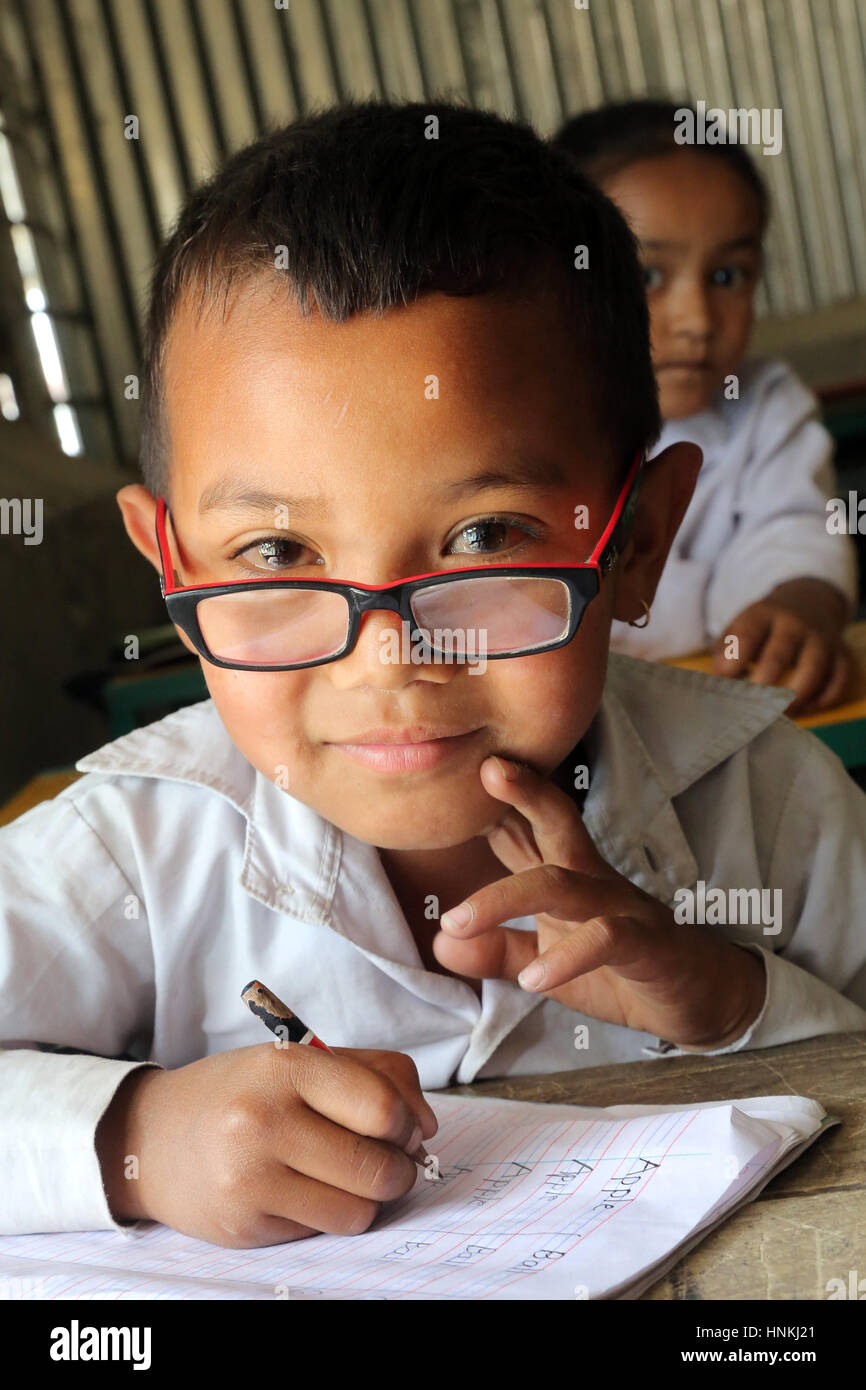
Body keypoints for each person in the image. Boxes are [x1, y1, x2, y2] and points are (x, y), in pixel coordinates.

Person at [2, 102, 865, 1250]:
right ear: (169, 568)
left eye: (485, 538)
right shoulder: (133, 849)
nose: (391, 656)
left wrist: (729, 999)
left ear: (640, 541)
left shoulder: (767, 796)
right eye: (277, 553)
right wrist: (134, 1140)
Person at [554, 100, 857, 713]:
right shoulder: (511, 421)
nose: (696, 321)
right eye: (647, 277)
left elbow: (793, 532)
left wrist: (797, 610)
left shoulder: (766, 407)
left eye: (727, 277)